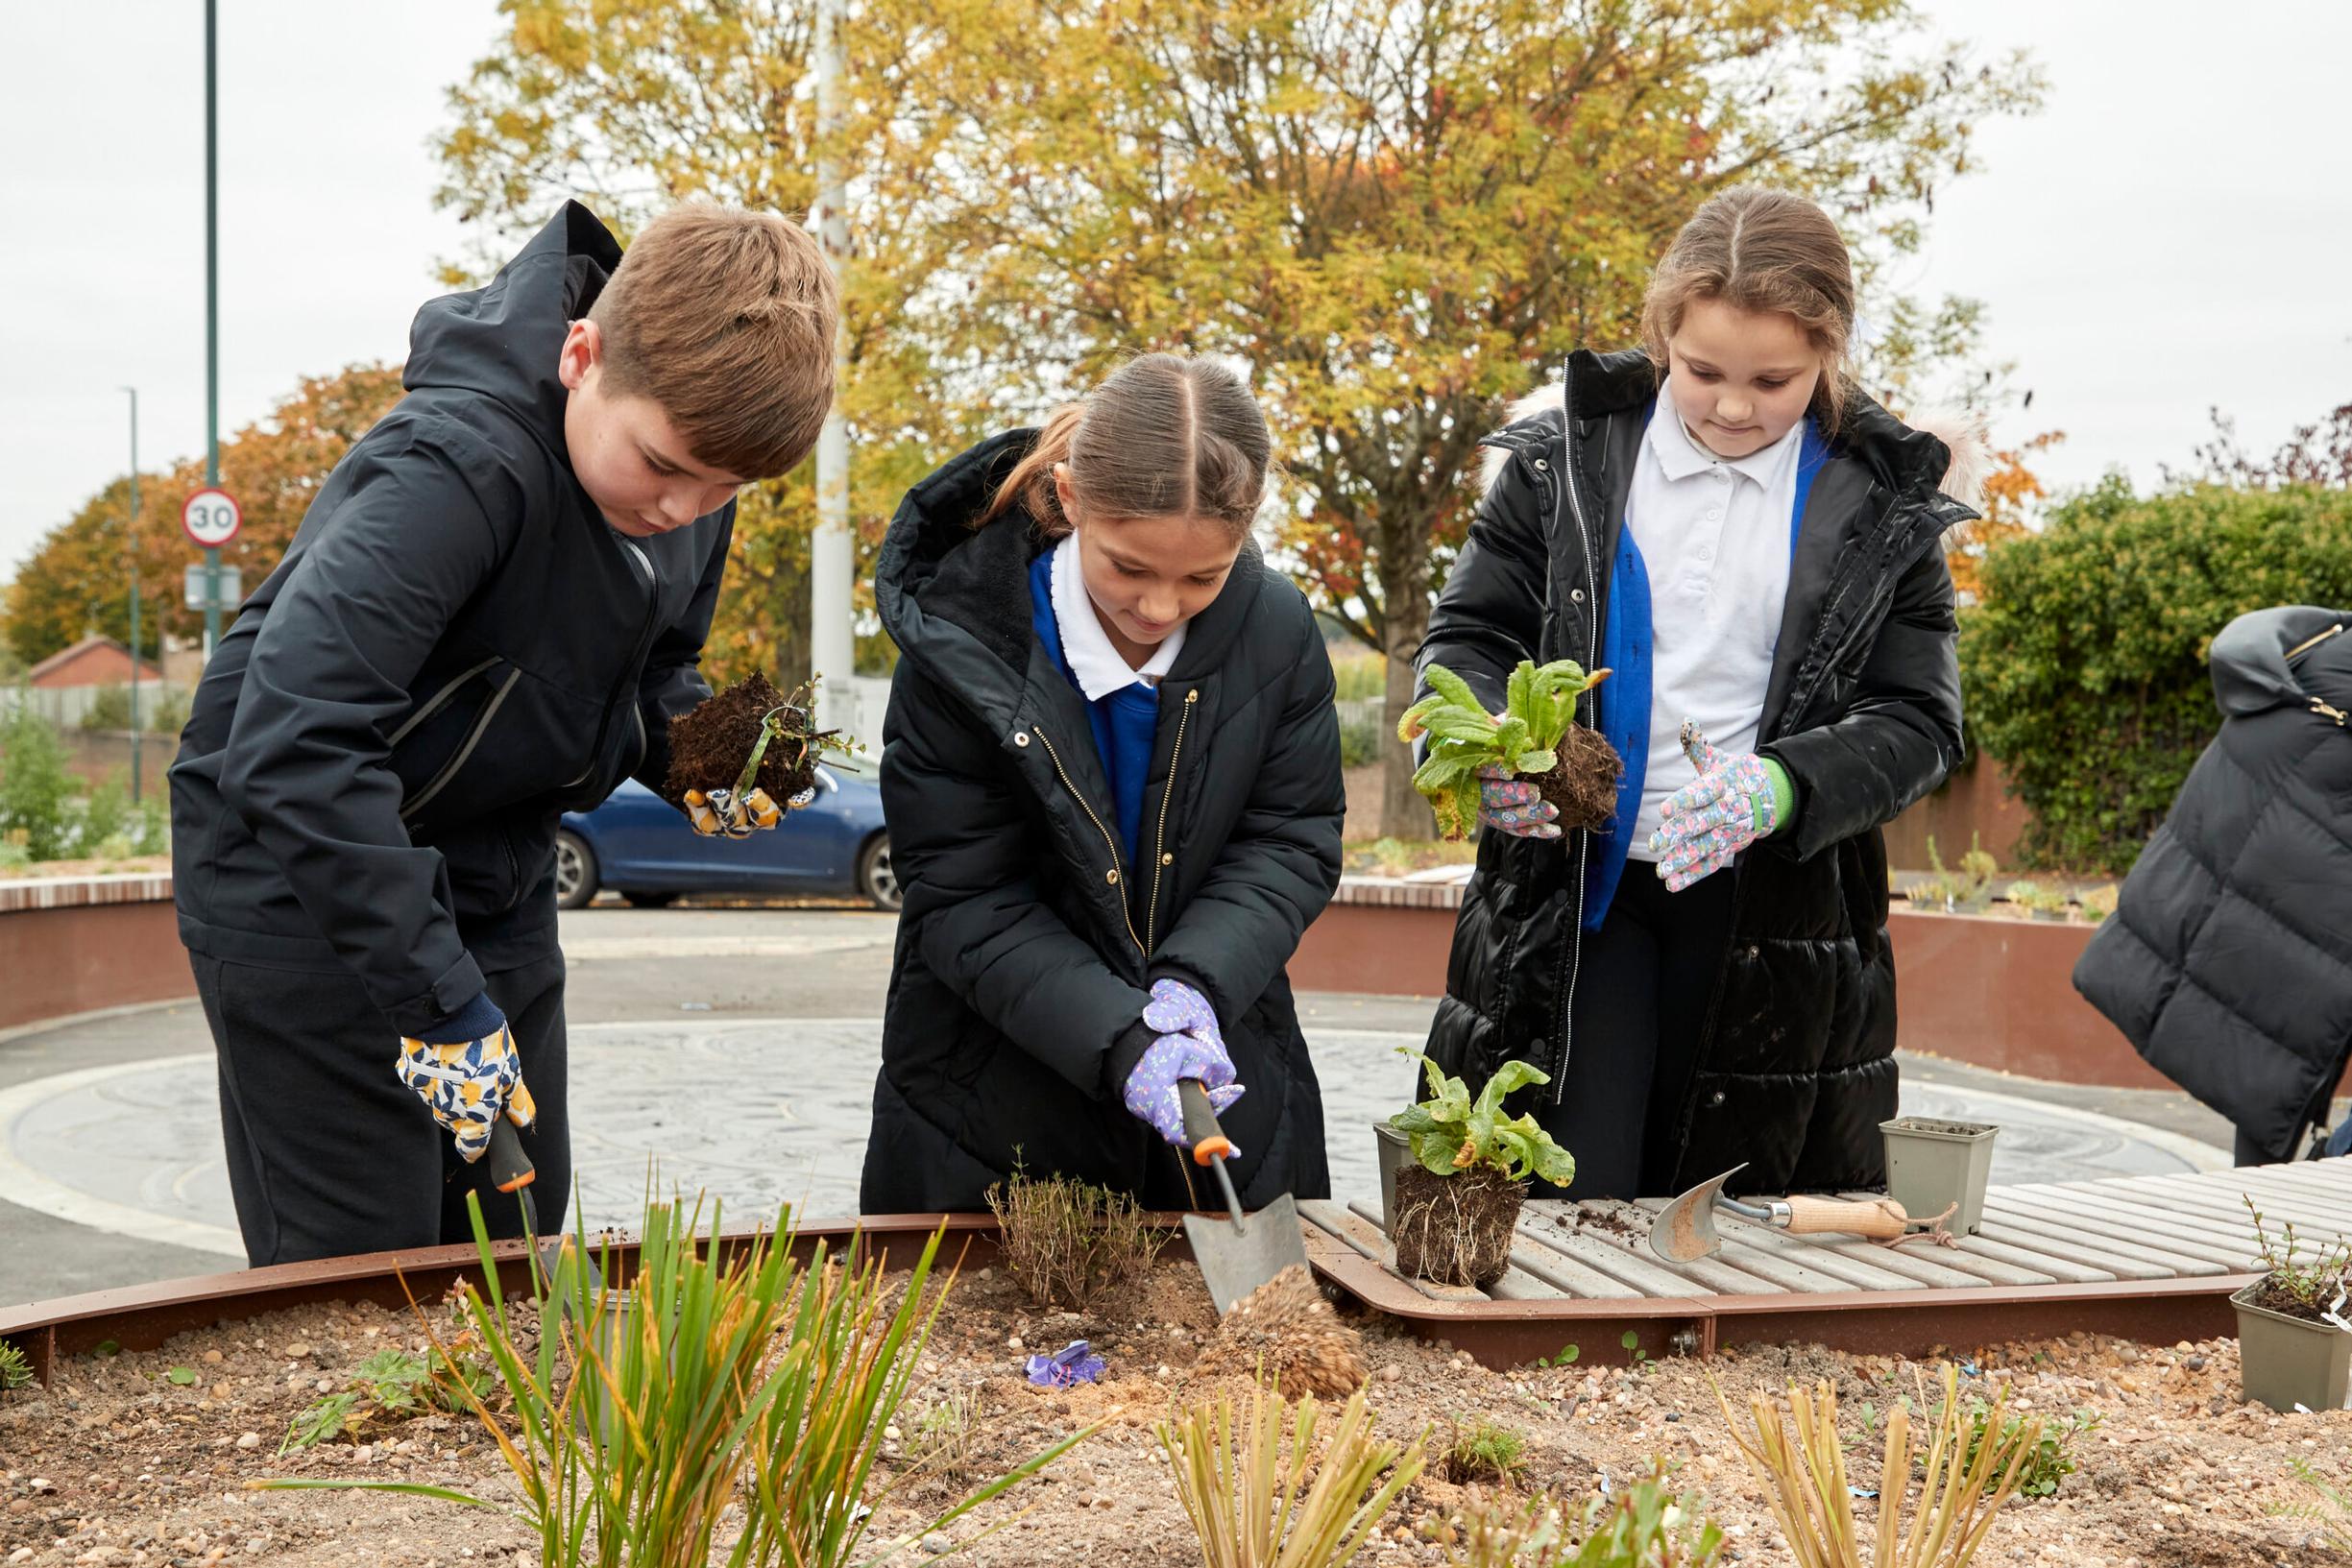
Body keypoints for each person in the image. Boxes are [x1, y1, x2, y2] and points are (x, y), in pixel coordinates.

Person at [169, 201, 838, 1265]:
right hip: (298, 877)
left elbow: (654, 672)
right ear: (584, 354)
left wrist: (721, 754)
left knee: (513, 1235)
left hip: (494, 864)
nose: (686, 508)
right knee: (362, 1273)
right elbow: (296, 740)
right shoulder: (452, 470)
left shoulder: (693, 478)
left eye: (727, 488)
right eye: (665, 466)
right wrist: (437, 1002)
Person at [1414, 186, 1984, 1200]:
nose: (1731, 406)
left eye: (1776, 379)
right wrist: (1488, 742)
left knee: (1731, 1213)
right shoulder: (1560, 461)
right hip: (1579, 893)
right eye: (1701, 371)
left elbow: (1919, 718)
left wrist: (1785, 786)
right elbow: (1470, 635)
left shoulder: (1886, 495)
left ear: (1830, 352)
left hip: (1774, 910)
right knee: (1568, 1193)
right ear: (1660, 333)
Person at [864, 353, 1346, 1212]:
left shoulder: (1277, 630)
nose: (1159, 607)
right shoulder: (962, 646)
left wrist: (1196, 983)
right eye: (1128, 567)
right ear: (1072, 497)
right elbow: (964, 896)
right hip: (987, 1110)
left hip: (1228, 1083)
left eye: (1202, 576)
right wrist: (1120, 1036)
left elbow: (1289, 839)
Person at [2074, 607, 2352, 1166]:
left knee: (2266, 1070)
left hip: (2268, 900)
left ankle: (2267, 1215)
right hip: (2290, 894)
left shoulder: (2320, 653)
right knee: (2272, 1064)